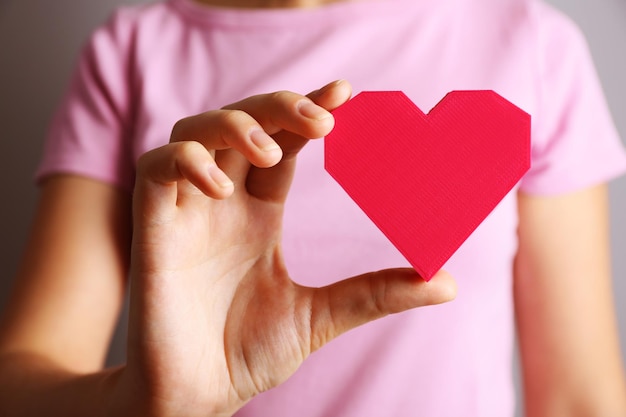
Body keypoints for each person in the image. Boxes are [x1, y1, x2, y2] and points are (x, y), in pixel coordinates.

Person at [0, 0, 625, 416]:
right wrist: (144, 400)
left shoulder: (534, 44)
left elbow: (580, 398)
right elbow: (21, 377)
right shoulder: (133, 52)